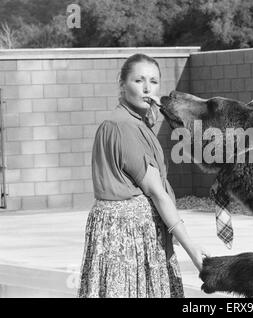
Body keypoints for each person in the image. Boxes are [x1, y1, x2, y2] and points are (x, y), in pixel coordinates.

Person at [78, 53, 208, 298]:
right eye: (139, 80)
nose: (148, 87)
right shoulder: (124, 126)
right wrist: (190, 247)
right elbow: (157, 193)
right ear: (122, 85)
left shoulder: (132, 123)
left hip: (131, 234)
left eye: (154, 81)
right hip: (129, 237)